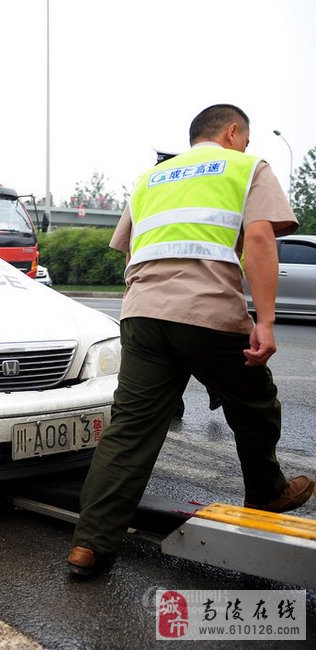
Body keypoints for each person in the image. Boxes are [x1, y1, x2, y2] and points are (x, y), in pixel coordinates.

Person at [67, 104, 313, 578]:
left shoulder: (152, 178)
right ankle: (266, 491)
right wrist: (265, 320)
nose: (246, 145)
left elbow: (131, 247)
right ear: (233, 131)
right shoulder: (246, 166)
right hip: (206, 312)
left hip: (142, 314)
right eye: (245, 137)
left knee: (130, 429)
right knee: (256, 402)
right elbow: (260, 241)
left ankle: (90, 546)